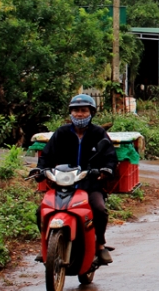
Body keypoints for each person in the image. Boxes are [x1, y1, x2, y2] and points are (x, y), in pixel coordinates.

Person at [34, 94, 118, 264]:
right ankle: (47, 246)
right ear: (70, 113)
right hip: (63, 183)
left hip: (90, 184)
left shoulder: (98, 133)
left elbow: (110, 157)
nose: (79, 114)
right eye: (76, 111)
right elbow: (47, 155)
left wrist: (106, 170)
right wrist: (40, 169)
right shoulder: (62, 133)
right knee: (40, 211)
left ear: (91, 113)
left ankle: (100, 245)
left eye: (83, 111)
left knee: (99, 209)